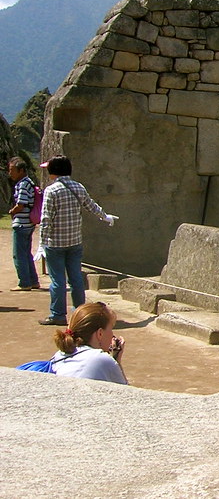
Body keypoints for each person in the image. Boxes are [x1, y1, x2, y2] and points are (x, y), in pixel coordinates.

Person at [36, 155, 118, 326]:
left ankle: (58, 314)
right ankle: (81, 314)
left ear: (54, 171)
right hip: (74, 241)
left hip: (55, 243)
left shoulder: (52, 191)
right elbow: (91, 205)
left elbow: (46, 219)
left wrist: (41, 244)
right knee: (76, 279)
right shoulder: (78, 187)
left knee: (58, 280)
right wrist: (105, 216)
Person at [50, 301, 127, 384]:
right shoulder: (101, 359)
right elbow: (126, 393)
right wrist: (117, 362)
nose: (112, 334)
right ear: (100, 333)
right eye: (111, 328)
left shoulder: (59, 354)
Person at [8, 157, 40, 291]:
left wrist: (12, 211)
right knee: (26, 253)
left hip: (21, 223)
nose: (10, 173)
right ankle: (33, 280)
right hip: (28, 224)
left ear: (21, 170)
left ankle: (24, 282)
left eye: (12, 170)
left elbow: (21, 204)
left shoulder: (22, 184)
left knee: (19, 254)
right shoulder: (29, 182)